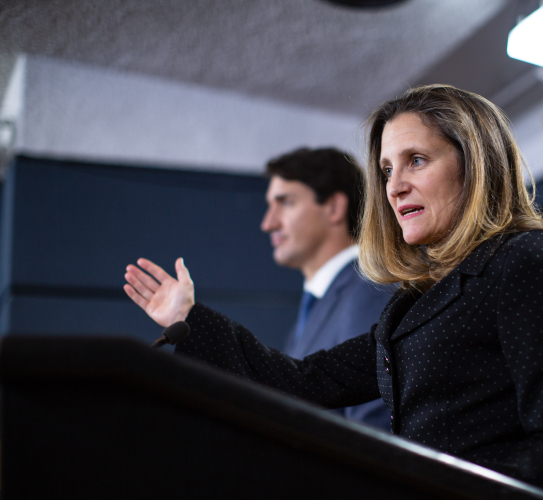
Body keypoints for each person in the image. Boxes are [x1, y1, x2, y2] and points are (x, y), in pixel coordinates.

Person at [124, 84, 543, 498]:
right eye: (386, 170)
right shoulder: (410, 303)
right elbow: (302, 381)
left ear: (475, 164)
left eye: (416, 161)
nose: (394, 187)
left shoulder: (523, 258)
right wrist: (190, 319)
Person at [125, 147, 393, 430]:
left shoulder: (369, 290)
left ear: (334, 207)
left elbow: (374, 424)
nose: (268, 223)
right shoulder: (319, 304)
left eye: (285, 202)